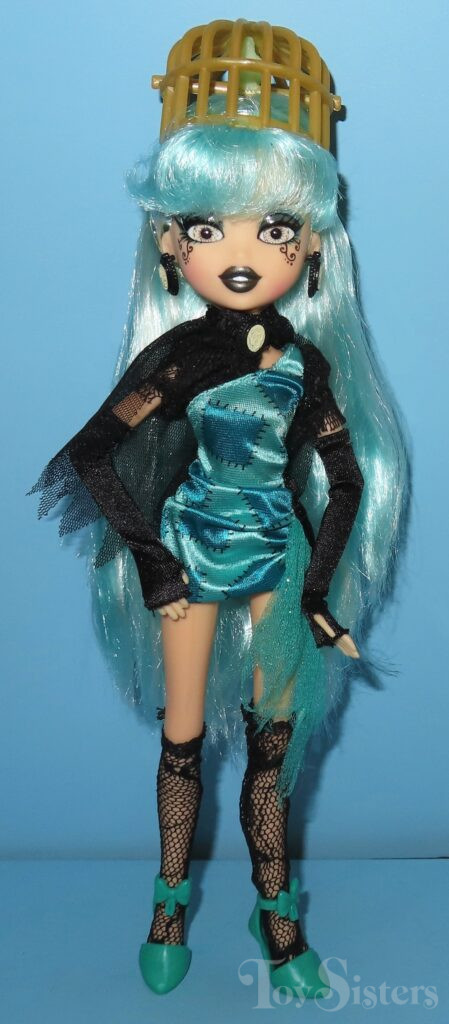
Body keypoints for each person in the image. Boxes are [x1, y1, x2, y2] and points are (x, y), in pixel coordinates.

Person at [28, 19, 407, 998]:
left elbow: (345, 478)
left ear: (310, 248)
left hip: (278, 557)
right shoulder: (175, 360)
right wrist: (151, 558)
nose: (240, 253)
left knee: (271, 753)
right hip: (192, 553)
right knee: (184, 743)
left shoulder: (303, 364)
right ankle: (167, 904)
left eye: (271, 229)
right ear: (170, 243)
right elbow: (88, 455)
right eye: (207, 228)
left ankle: (275, 911)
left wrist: (319, 592)